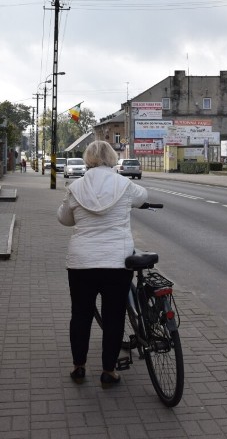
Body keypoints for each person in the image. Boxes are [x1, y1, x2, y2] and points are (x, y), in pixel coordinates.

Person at [57, 140, 147, 388]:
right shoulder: (124, 184)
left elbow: (64, 219)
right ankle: (109, 371)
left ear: (87, 159)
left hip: (81, 262)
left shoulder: (75, 187)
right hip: (117, 262)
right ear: (111, 159)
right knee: (114, 316)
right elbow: (143, 197)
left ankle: (78, 367)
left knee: (80, 315)